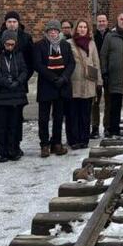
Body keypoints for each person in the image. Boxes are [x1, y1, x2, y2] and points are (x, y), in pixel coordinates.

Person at [0, 29, 29, 161]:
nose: (9, 47)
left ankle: (13, 149)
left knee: (14, 124)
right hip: (1, 96)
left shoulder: (18, 55)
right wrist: (6, 82)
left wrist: (18, 81)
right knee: (1, 125)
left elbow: (24, 70)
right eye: (7, 44)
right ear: (3, 42)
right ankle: (2, 151)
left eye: (12, 44)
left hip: (16, 95)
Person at [34, 20, 76, 155]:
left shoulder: (65, 45)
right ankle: (44, 144)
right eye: (50, 31)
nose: (53, 32)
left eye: (55, 30)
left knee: (58, 116)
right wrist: (53, 78)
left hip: (61, 86)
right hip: (47, 85)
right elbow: (38, 65)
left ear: (59, 32)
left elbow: (71, 63)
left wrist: (63, 78)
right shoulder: (40, 45)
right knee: (43, 118)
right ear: (46, 32)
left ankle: (56, 142)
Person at [68, 18, 102, 149]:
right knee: (74, 113)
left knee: (85, 113)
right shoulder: (69, 43)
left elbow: (96, 62)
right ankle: (74, 139)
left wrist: (99, 81)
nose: (82, 29)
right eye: (80, 27)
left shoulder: (92, 44)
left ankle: (84, 139)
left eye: (84, 27)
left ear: (88, 30)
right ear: (76, 28)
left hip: (89, 82)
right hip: (74, 82)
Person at [92, 13, 109, 138]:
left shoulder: (112, 36)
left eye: (103, 21)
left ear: (107, 22)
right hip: (94, 71)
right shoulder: (92, 36)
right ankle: (95, 127)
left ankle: (107, 126)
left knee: (109, 101)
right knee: (95, 101)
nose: (101, 23)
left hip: (108, 71)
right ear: (96, 22)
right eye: (99, 21)